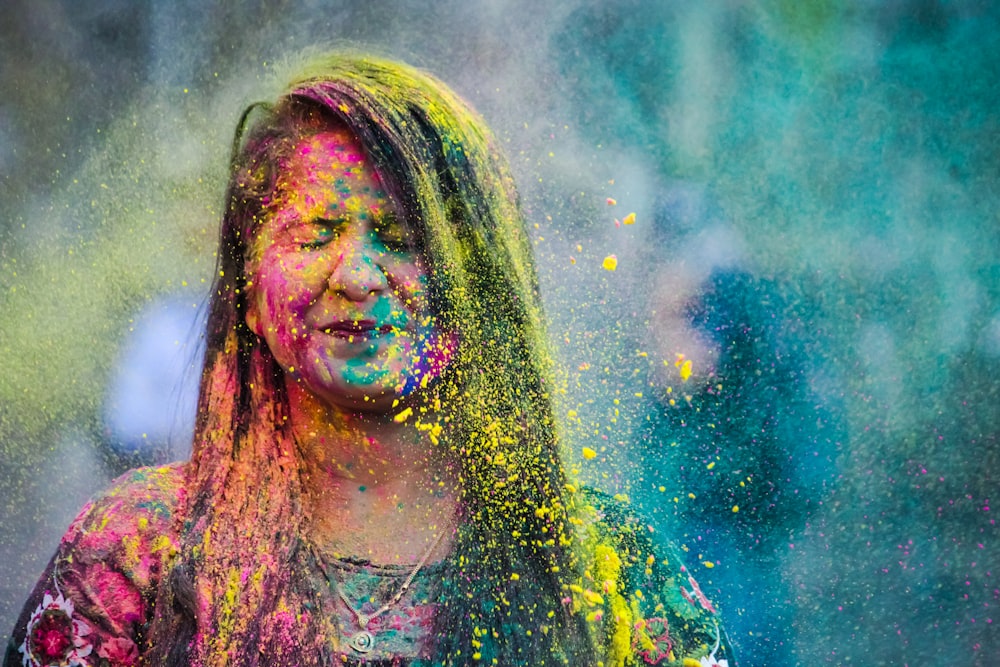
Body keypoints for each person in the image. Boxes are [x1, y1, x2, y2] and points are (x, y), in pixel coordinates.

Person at [5, 54, 734, 667]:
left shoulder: (602, 575)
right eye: (315, 231)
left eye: (401, 236)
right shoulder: (135, 556)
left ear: (480, 285)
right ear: (248, 288)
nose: (355, 274)